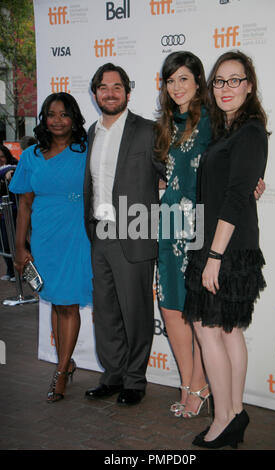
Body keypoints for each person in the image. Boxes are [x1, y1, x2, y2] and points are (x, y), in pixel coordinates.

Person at [183, 50, 269, 448]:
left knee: (210, 329)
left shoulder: (249, 131)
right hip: (219, 242)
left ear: (249, 86)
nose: (226, 88)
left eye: (235, 80)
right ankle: (234, 411)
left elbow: (235, 198)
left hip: (225, 248)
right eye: (219, 80)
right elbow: (233, 186)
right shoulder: (228, 131)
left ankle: (224, 418)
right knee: (229, 331)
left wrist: (214, 257)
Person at [84, 63, 165, 406]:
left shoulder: (148, 130)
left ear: (128, 93)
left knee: (135, 312)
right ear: (95, 93)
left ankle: (135, 380)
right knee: (106, 311)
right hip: (99, 233)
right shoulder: (92, 133)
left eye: (117, 87)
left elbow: (173, 173)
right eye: (103, 87)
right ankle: (113, 375)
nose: (110, 93)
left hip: (134, 232)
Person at [9, 92, 92, 403]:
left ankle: (60, 372)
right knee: (56, 302)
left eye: (64, 114)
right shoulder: (30, 155)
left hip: (77, 236)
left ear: (74, 118)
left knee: (68, 303)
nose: (57, 120)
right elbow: (25, 204)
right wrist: (20, 246)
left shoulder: (85, 150)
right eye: (51, 114)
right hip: (45, 238)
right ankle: (65, 361)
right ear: (43, 118)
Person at [155, 51, 213, 417]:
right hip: (168, 222)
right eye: (170, 80)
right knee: (171, 307)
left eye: (183, 79)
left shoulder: (212, 122)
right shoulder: (165, 125)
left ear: (197, 82)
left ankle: (200, 387)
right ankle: (188, 383)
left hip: (199, 225)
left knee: (199, 313)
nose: (176, 87)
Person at [0, 144, 18, 281]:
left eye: (2, 156)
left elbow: (10, 169)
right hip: (2, 213)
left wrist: (9, 172)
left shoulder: (12, 166)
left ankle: (22, 272)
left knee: (13, 241)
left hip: (12, 211)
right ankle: (11, 271)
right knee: (3, 244)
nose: (1, 159)